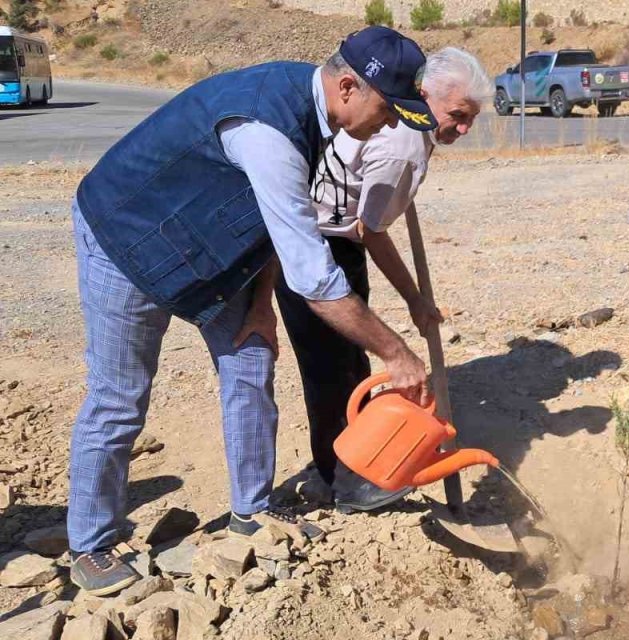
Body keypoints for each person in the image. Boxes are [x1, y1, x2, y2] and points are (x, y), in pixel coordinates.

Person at [66, 25, 440, 597]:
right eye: (388, 110)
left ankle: (252, 512)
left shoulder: (313, 107)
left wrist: (261, 303)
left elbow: (272, 217)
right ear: (348, 87)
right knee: (120, 399)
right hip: (125, 236)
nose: (389, 125)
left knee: (249, 361)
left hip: (207, 245)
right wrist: (396, 352)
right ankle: (90, 546)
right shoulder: (269, 129)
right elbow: (315, 280)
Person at [276, 47, 489, 513]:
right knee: (333, 372)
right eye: (457, 115)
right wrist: (414, 298)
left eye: (471, 117)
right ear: (425, 96)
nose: (464, 128)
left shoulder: (408, 134)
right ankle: (342, 483)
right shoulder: (404, 145)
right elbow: (369, 231)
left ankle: (348, 465)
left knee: (348, 366)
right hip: (319, 247)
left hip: (332, 242)